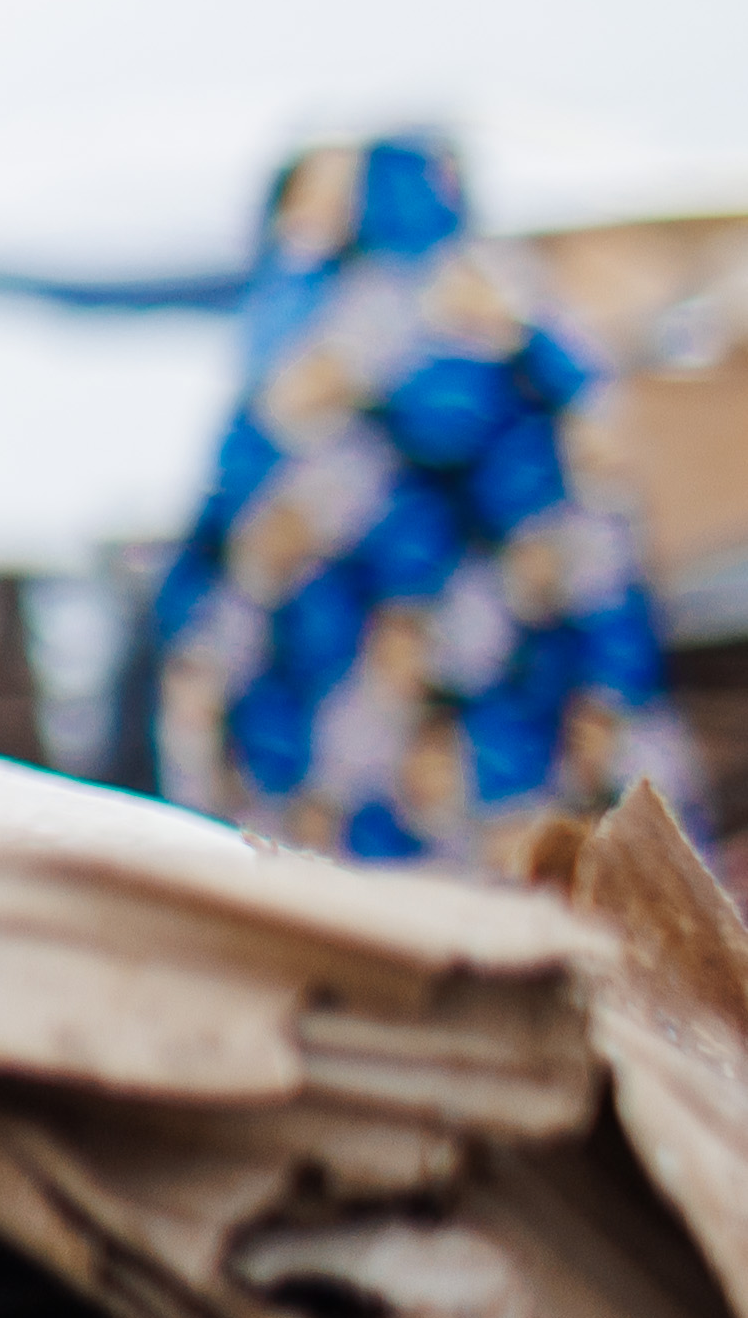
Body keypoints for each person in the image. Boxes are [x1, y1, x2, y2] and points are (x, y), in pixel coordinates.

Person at [146, 134, 699, 872]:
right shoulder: (526, 326)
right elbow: (601, 551)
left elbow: (221, 577)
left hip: (335, 763)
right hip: (506, 747)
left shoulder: (306, 343)